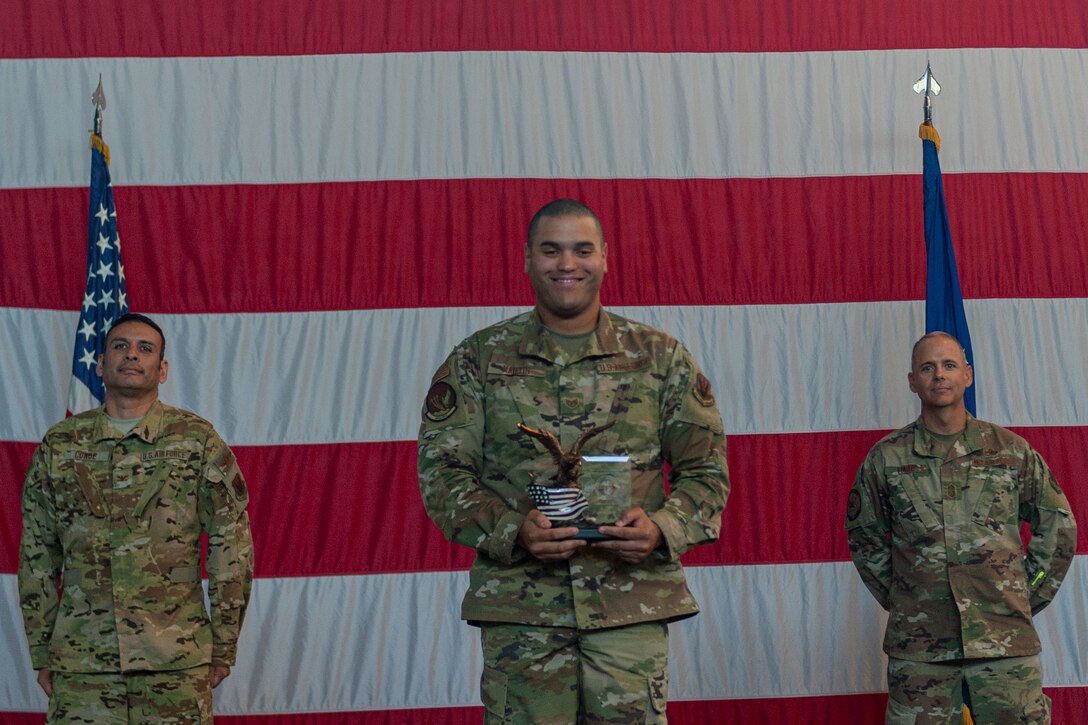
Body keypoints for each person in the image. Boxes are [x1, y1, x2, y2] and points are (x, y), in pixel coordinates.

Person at [418, 198, 729, 723]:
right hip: (523, 612)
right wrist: (513, 529)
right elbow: (442, 474)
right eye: (551, 250)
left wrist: (661, 527)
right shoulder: (480, 359)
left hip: (629, 609)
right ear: (527, 259)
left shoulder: (659, 357)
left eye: (582, 250)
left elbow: (707, 472)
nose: (567, 265)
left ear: (606, 257)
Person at [19, 313, 254, 723]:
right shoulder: (61, 445)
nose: (132, 354)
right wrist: (42, 649)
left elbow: (230, 547)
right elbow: (37, 554)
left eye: (146, 349)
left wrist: (223, 645)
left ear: (162, 370)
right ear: (100, 364)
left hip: (175, 659)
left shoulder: (196, 441)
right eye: (120, 346)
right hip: (83, 664)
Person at [845, 331, 1076, 724]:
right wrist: (907, 599)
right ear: (912, 381)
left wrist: (1023, 590)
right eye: (927, 367)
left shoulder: (1010, 451)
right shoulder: (887, 458)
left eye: (949, 365)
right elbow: (864, 538)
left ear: (967, 375)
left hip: (1004, 644)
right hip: (921, 651)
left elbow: (1058, 526)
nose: (939, 375)